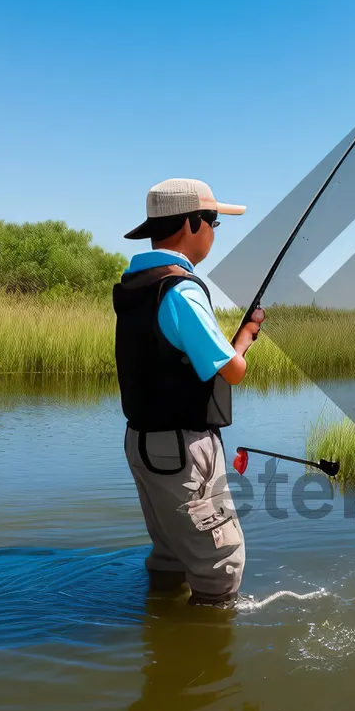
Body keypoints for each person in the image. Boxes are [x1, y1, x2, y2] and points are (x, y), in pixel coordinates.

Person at [113, 178, 265, 605]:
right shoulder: (181, 289)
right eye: (213, 222)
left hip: (141, 442)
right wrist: (246, 338)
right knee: (223, 563)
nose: (215, 232)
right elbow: (233, 372)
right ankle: (207, 659)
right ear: (190, 224)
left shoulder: (137, 283)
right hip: (181, 448)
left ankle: (163, 629)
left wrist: (236, 340)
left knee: (169, 551)